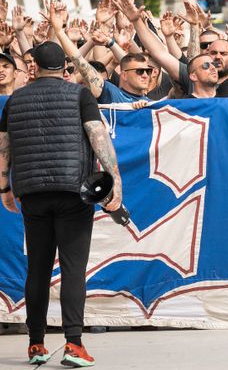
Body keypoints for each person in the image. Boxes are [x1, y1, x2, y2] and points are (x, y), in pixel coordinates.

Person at [0, 37, 122, 367]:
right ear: (65, 68)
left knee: (37, 270)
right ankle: (74, 345)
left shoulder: (15, 100)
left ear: (33, 68)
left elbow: (3, 148)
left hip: (32, 194)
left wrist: (5, 190)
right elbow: (99, 138)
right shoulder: (80, 94)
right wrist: (115, 182)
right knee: (72, 270)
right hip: (73, 192)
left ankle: (36, 344)